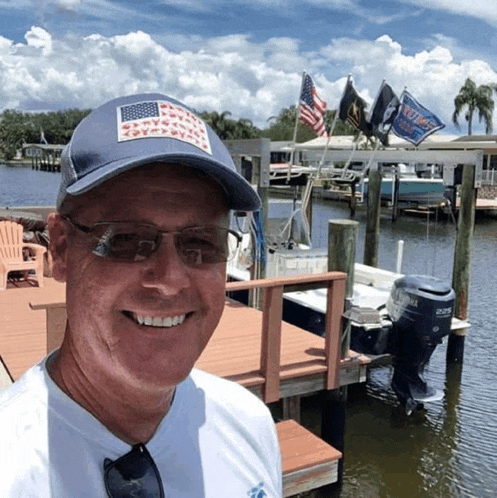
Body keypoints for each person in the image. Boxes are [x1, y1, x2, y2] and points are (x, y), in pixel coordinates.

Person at [0, 93, 282, 497]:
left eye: (201, 243)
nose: (170, 280)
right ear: (60, 248)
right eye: (127, 239)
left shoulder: (249, 424)